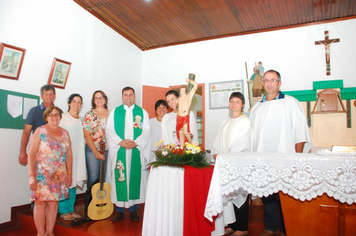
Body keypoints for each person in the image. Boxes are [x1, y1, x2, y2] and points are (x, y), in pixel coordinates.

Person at [249, 69, 312, 236]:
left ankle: (287, 229)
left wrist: (296, 158)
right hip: (263, 160)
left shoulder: (291, 102)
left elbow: (300, 131)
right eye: (266, 80)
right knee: (267, 195)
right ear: (262, 83)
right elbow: (252, 136)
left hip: (286, 158)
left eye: (273, 80)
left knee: (286, 196)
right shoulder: (256, 108)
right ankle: (270, 227)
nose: (269, 83)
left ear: (279, 83)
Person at [105, 87, 151, 222]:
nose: (128, 97)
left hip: (136, 150)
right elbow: (109, 130)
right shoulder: (115, 112)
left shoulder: (142, 112)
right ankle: (118, 210)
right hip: (120, 150)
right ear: (122, 96)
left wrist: (136, 143)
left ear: (134, 96)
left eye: (130, 94)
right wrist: (120, 142)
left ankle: (133, 210)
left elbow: (147, 131)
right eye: (125, 95)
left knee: (134, 177)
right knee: (120, 176)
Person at [211, 92, 252, 236]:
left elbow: (242, 143)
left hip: (238, 163)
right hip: (224, 164)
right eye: (232, 101)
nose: (234, 104)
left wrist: (225, 156)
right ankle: (233, 224)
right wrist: (216, 152)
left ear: (242, 105)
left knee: (240, 194)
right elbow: (218, 140)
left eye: (237, 102)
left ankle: (242, 227)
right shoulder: (225, 121)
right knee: (228, 195)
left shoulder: (245, 121)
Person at [28, 106, 72, 236]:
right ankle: (41, 233)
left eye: (57, 115)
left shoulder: (65, 133)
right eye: (51, 115)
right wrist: (31, 176)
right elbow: (31, 154)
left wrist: (69, 174)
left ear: (60, 117)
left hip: (59, 175)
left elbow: (69, 154)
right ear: (46, 117)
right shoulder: (40, 131)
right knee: (40, 203)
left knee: (53, 204)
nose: (54, 117)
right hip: (41, 175)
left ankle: (50, 231)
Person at [58, 94, 86, 221]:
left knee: (73, 182)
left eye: (79, 102)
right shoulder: (63, 117)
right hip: (65, 155)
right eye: (74, 101)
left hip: (78, 155)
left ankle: (71, 209)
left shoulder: (82, 119)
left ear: (81, 104)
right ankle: (63, 210)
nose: (76, 104)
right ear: (69, 103)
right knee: (65, 182)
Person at [83, 90, 110, 220]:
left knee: (104, 178)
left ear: (105, 99)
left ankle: (101, 206)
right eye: (96, 98)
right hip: (92, 149)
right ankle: (90, 208)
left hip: (108, 149)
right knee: (93, 178)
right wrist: (95, 152)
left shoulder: (111, 114)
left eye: (101, 97)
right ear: (93, 101)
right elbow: (87, 135)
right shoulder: (89, 114)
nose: (98, 100)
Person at [19, 85, 57, 166]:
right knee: (37, 176)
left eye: (51, 94)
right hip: (37, 151)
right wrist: (22, 152)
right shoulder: (34, 111)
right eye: (46, 94)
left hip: (54, 151)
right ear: (42, 96)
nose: (49, 97)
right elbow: (26, 132)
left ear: (54, 95)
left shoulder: (59, 112)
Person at [176, 78, 198, 144]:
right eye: (181, 90)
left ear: (185, 90)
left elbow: (195, 86)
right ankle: (182, 148)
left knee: (186, 132)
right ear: (179, 91)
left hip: (185, 116)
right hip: (179, 117)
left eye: (183, 90)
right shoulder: (179, 99)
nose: (182, 92)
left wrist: (190, 81)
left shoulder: (188, 96)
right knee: (180, 134)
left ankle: (191, 144)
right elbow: (176, 107)